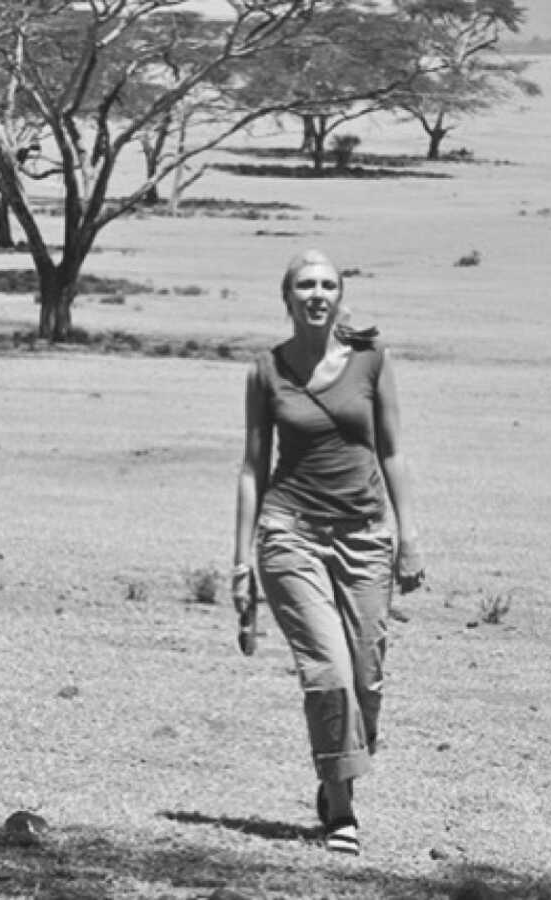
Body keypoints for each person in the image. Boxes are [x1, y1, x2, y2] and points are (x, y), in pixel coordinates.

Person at [232, 249, 425, 856]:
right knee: (329, 673)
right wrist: (242, 563)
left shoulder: (370, 359)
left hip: (366, 535)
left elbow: (391, 451)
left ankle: (338, 769)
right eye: (305, 285)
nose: (317, 293)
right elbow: (251, 466)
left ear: (341, 296)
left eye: (328, 284)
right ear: (286, 298)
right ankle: (340, 808)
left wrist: (409, 536)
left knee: (367, 676)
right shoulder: (266, 371)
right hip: (291, 533)